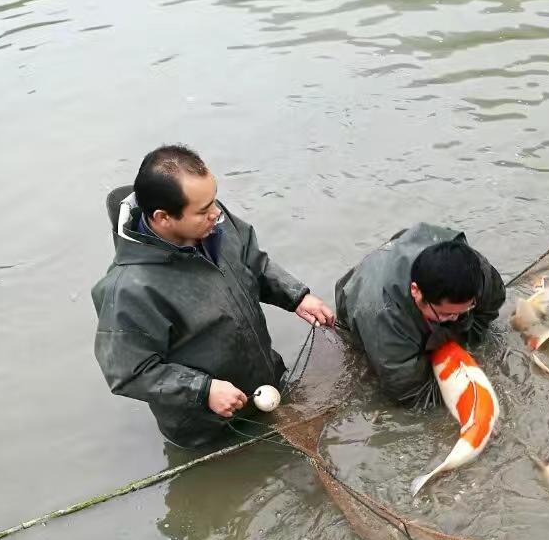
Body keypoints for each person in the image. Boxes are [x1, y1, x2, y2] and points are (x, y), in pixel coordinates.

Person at [92, 144, 334, 447]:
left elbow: (254, 264)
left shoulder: (215, 223)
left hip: (265, 383)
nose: (216, 213)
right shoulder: (128, 290)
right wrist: (202, 390)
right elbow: (130, 373)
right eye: (204, 210)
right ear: (163, 217)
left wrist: (296, 296)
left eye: (214, 201)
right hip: (208, 427)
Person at [335, 223, 506, 407]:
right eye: (446, 313)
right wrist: (463, 396)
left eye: (465, 309)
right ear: (416, 291)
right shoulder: (383, 318)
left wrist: (466, 343)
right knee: (377, 375)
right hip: (363, 298)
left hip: (412, 251)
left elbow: (487, 312)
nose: (456, 318)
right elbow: (412, 393)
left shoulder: (480, 275)